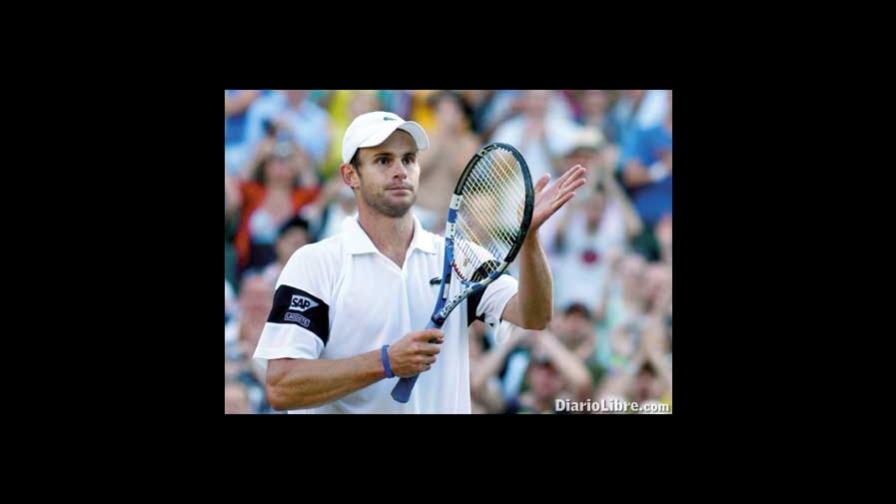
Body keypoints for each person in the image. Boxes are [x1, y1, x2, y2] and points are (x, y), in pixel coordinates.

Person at [252, 110, 587, 413]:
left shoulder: (460, 257)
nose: (400, 170)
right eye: (383, 160)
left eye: (408, 159)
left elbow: (535, 315)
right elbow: (282, 386)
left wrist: (530, 241)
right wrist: (385, 362)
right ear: (350, 175)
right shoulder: (314, 264)